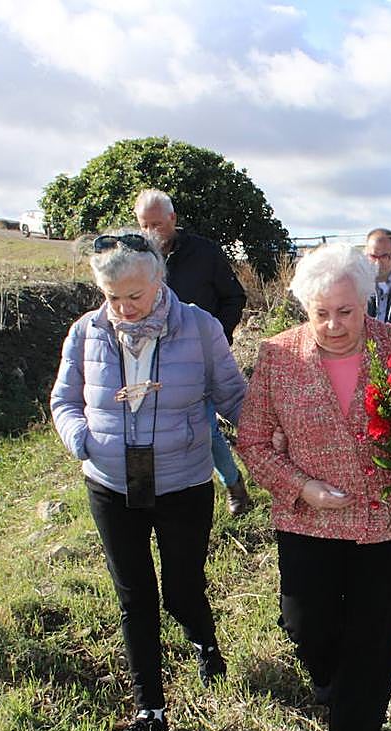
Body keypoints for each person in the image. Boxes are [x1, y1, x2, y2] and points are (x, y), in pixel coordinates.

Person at [236, 243, 391, 731]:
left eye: (346, 311)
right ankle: (331, 682)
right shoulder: (277, 356)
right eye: (321, 313)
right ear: (305, 309)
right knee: (308, 626)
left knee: (374, 636)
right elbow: (254, 441)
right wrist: (302, 487)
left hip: (384, 521)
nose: (334, 325)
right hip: (308, 521)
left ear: (366, 302)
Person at [50, 230, 247, 731]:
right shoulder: (86, 333)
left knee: (182, 588)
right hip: (112, 483)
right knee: (134, 595)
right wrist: (81, 439)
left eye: (134, 296)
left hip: (182, 480)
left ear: (159, 278)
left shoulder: (200, 328)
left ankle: (206, 645)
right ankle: (150, 711)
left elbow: (233, 396)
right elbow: (64, 399)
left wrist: (274, 445)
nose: (124, 308)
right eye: (112, 297)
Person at [134, 189, 252, 516]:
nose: (151, 233)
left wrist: (214, 337)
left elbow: (233, 297)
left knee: (204, 425)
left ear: (173, 219)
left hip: (196, 360)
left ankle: (232, 484)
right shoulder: (134, 256)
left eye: (157, 224)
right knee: (140, 424)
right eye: (144, 225)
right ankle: (141, 495)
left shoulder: (204, 253)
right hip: (143, 357)